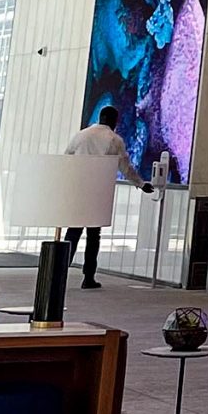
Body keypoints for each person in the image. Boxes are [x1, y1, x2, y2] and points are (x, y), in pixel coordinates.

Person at [64, 105, 150, 289]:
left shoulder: (81, 135)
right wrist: (141, 184)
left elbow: (67, 158)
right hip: (97, 191)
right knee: (93, 235)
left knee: (72, 232)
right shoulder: (114, 139)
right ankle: (88, 277)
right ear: (114, 121)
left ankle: (60, 273)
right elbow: (125, 168)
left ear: (100, 117)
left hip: (77, 190)